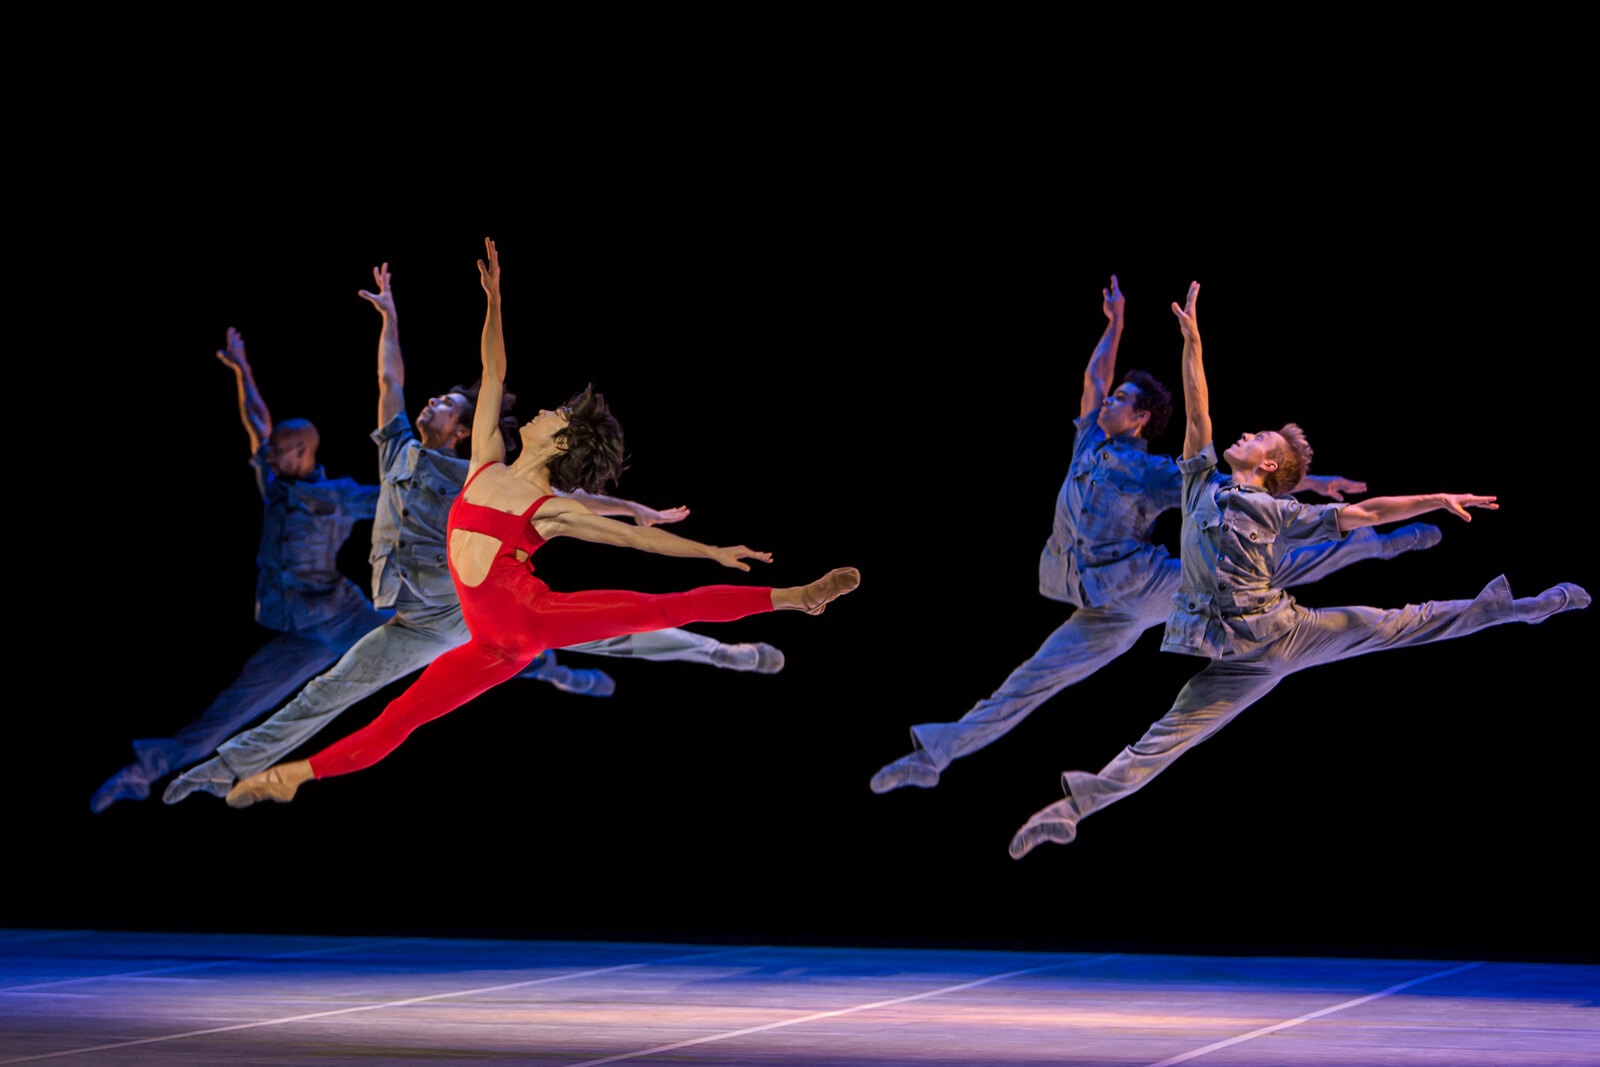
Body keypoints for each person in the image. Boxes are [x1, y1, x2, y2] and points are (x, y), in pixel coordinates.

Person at [227, 239, 859, 806]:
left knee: (663, 609)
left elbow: (632, 536)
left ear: (558, 446)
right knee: (401, 717)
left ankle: (796, 597)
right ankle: (291, 777)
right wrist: (494, 300)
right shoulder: (484, 459)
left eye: (554, 415)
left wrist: (712, 550)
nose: (541, 411)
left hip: (532, 620)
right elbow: (493, 368)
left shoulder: (549, 509)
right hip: (488, 647)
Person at [1007, 281, 1588, 857]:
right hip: (1232, 659)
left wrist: (1436, 496)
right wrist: (1193, 342)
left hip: (1285, 633)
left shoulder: (1277, 507)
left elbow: (1363, 511)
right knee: (1165, 740)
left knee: (1399, 622)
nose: (1245, 432)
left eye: (1258, 435)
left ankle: (1519, 607)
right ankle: (1072, 810)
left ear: (1267, 462)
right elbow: (1197, 405)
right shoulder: (1197, 479)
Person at [871, 278, 1436, 793]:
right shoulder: (1089, 441)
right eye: (1113, 398)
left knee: (1259, 562)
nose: (1109, 400)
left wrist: (1312, 481)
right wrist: (1114, 325)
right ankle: (934, 758)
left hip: (1149, 584)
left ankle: (1383, 542)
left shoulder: (1152, 470)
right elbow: (1094, 377)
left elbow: (1232, 488)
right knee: (1026, 682)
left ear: (1140, 420)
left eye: (1121, 400)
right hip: (1098, 608)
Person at [89, 330, 393, 812]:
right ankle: (141, 773)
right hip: (301, 634)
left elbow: (398, 502)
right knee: (233, 708)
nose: (267, 455)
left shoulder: (337, 495)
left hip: (346, 618)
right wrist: (243, 370)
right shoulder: (274, 483)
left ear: (302, 453)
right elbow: (257, 422)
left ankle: (533, 660)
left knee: (435, 641)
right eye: (270, 450)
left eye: (278, 450)